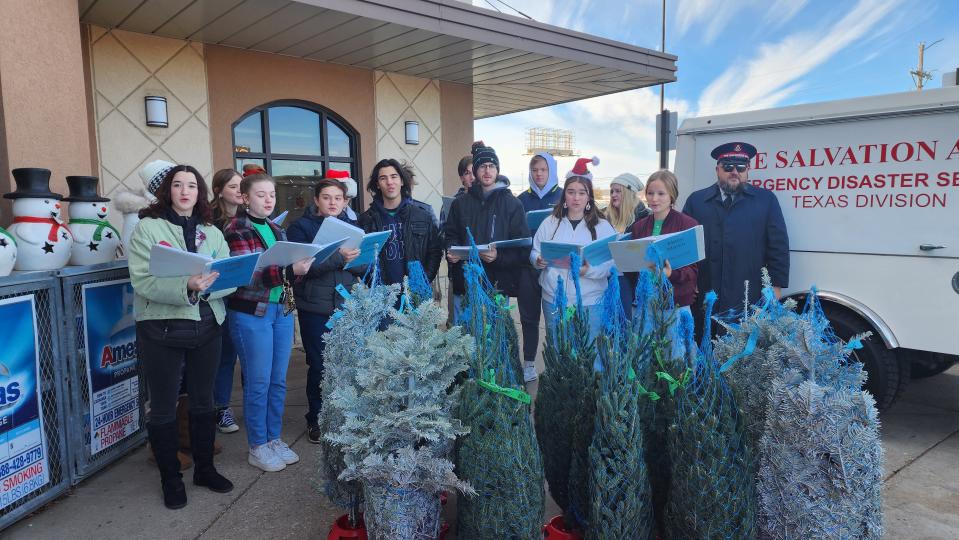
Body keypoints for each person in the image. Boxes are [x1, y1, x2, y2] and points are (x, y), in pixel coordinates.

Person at [128, 165, 235, 509]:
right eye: (178, 185)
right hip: (162, 329)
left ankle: (205, 468)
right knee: (163, 407)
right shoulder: (148, 227)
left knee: (204, 403)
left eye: (192, 185)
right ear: (167, 191)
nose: (185, 191)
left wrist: (207, 288)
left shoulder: (211, 230)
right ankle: (171, 479)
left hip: (207, 326)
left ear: (200, 192)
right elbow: (142, 281)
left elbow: (229, 276)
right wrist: (186, 286)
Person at [223, 173, 314, 472]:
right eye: (260, 194)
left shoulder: (277, 227)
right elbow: (246, 273)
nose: (268, 199)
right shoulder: (237, 228)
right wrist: (290, 271)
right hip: (251, 312)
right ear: (244, 198)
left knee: (278, 380)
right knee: (258, 382)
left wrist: (299, 268)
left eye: (272, 194)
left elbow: (286, 271)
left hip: (280, 310)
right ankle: (258, 445)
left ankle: (273, 438)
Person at [286, 178, 363, 444]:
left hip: (347, 305)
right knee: (319, 365)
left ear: (345, 202)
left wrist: (356, 261)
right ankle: (317, 419)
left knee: (348, 364)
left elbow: (364, 268)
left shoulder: (354, 228)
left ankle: (346, 417)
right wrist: (340, 258)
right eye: (326, 197)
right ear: (316, 200)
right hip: (315, 308)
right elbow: (305, 268)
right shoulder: (301, 228)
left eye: (338, 198)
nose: (332, 202)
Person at [682, 142, 789, 320]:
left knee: (742, 344)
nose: (734, 172)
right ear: (717, 169)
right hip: (706, 291)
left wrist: (776, 285)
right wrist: (688, 281)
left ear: (748, 169)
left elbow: (778, 245)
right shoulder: (696, 201)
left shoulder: (766, 200)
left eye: (740, 167)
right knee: (704, 340)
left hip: (749, 293)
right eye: (727, 166)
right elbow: (686, 245)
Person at [444, 143, 531, 326]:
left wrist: (498, 257)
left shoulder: (512, 204)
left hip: (497, 285)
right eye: (482, 166)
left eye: (492, 166)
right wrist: (450, 252)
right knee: (464, 340)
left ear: (497, 170)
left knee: (496, 339)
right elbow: (450, 235)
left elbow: (522, 248)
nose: (487, 170)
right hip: (466, 284)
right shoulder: (460, 204)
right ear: (475, 171)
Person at [531, 163, 616, 343]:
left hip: (590, 302)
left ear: (589, 197)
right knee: (557, 351)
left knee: (590, 356)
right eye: (571, 192)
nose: (576, 198)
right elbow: (535, 250)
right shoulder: (550, 222)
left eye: (581, 193)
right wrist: (537, 260)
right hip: (554, 300)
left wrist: (588, 271)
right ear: (564, 195)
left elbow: (611, 263)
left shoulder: (602, 227)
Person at [630, 170, 700, 324]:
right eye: (650, 193)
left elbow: (692, 271)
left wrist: (670, 274)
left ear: (672, 195)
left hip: (675, 305)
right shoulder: (638, 227)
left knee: (675, 348)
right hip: (645, 303)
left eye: (661, 194)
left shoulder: (688, 225)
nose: (654, 199)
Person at [358, 158, 443, 286]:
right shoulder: (366, 220)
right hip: (382, 295)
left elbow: (435, 251)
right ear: (377, 184)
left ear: (402, 181)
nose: (389, 182)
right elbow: (361, 258)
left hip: (416, 293)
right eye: (383, 178)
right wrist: (374, 285)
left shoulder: (422, 216)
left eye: (394, 177)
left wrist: (423, 281)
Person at [515, 152, 562, 382]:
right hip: (529, 267)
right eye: (535, 170)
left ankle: (559, 363)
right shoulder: (522, 199)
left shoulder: (564, 196)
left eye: (543, 169)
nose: (539, 174)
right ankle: (530, 363)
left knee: (557, 318)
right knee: (529, 319)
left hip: (557, 268)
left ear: (551, 171)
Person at [209, 168, 244, 434]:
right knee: (222, 355)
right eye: (233, 187)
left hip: (244, 293)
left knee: (239, 355)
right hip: (219, 294)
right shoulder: (210, 220)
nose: (239, 191)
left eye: (241, 186)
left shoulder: (248, 217)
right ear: (219, 190)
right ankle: (220, 407)